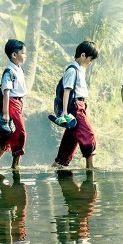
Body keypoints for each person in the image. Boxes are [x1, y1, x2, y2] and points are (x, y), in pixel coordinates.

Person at [52, 41, 99, 169]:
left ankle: (59, 163)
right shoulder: (72, 70)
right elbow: (67, 92)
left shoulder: (80, 70)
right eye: (90, 59)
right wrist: (65, 112)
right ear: (83, 55)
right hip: (74, 107)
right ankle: (90, 167)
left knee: (71, 137)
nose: (91, 62)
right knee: (88, 134)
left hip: (80, 105)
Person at [0, 39, 28, 170]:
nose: (25, 55)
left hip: (17, 103)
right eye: (23, 53)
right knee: (20, 133)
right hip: (11, 103)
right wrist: (5, 113)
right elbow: (6, 92)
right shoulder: (9, 71)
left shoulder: (18, 69)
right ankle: (15, 164)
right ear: (14, 55)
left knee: (9, 134)